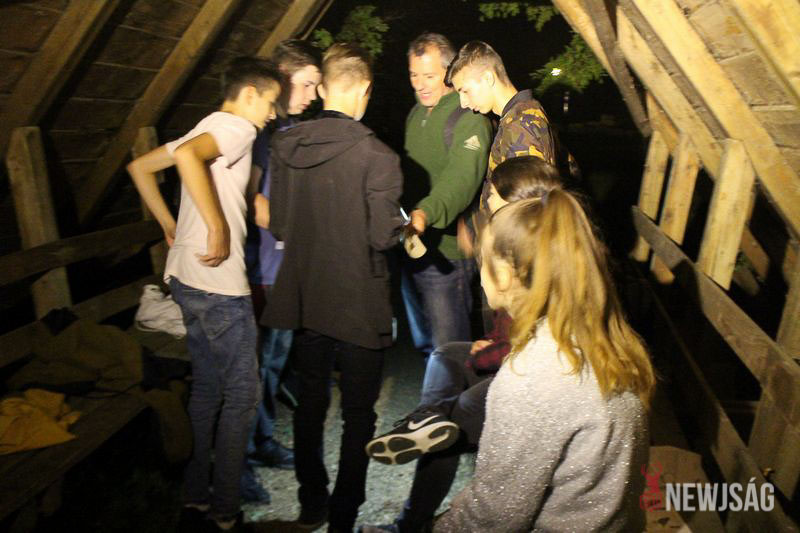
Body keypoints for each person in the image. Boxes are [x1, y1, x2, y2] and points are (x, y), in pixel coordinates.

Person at [361, 157, 563, 533]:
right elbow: (514, 327)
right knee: (446, 353)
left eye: (493, 196)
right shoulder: (522, 238)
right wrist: (492, 343)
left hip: (536, 374)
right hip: (517, 356)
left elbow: (534, 342)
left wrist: (488, 354)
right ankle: (426, 418)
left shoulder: (540, 254)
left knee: (454, 421)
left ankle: (414, 520)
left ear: (519, 200)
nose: (487, 203)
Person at [434, 190, 655, 532]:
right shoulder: (604, 340)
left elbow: (494, 518)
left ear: (504, 274)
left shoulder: (531, 377)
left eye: (482, 259)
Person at [127, 57, 281, 531]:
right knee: (243, 394)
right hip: (219, 286)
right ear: (249, 94)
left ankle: (194, 499)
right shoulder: (237, 128)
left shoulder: (206, 126)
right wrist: (216, 225)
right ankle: (224, 511)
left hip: (185, 279)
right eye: (270, 103)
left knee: (209, 388)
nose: (272, 114)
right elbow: (189, 159)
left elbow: (140, 168)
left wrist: (170, 224)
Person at [262, 43, 404, 532]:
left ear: (323, 88)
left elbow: (280, 224)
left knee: (311, 404)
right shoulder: (379, 156)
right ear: (365, 88)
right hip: (359, 299)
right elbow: (381, 236)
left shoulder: (287, 146)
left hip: (307, 295)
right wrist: (403, 226)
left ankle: (311, 503)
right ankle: (344, 517)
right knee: (358, 414)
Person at [241, 39, 322, 504]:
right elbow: (251, 198)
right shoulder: (259, 131)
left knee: (273, 363)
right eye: (307, 84)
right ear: (283, 78)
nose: (313, 95)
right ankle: (236, 462)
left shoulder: (292, 128)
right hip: (259, 269)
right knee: (250, 368)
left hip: (287, 268)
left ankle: (262, 440)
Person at [400, 33, 492, 356]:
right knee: (426, 345)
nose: (420, 84)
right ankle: (434, 389)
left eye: (429, 75)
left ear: (449, 72)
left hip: (447, 253)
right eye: (414, 75)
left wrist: (426, 212)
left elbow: (461, 180)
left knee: (451, 350)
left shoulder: (468, 118)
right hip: (412, 245)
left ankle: (456, 390)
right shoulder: (416, 114)